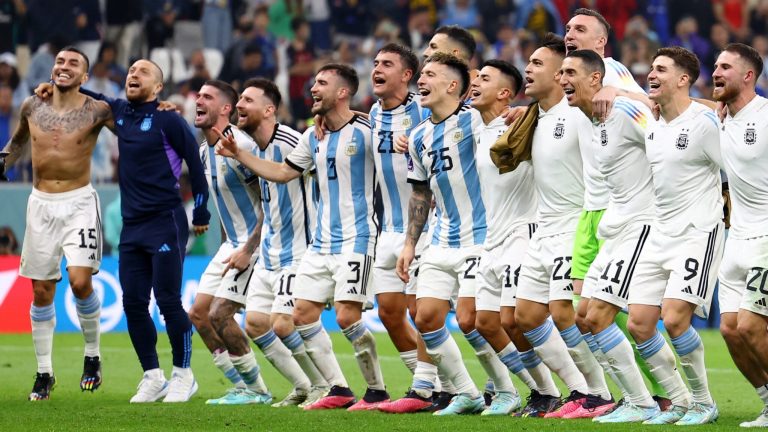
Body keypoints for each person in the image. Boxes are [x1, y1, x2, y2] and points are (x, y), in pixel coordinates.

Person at [216, 63, 388, 411]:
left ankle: (377, 391)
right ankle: (338, 388)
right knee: (302, 315)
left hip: (357, 238)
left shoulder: (368, 130)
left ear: (342, 92)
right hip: (321, 243)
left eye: (322, 83)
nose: (313, 87)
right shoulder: (312, 136)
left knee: (346, 318)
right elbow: (283, 172)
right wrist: (239, 154)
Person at [80, 59, 211, 403]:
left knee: (168, 300)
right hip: (132, 226)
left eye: (143, 72)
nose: (133, 75)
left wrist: (201, 209)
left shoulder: (169, 119)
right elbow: (89, 96)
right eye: (130, 71)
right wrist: (57, 85)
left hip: (165, 221)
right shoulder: (121, 113)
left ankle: (184, 375)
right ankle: (153, 376)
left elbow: (195, 164)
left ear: (158, 87)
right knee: (134, 303)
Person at [563, 8, 670, 410]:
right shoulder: (571, 80)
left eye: (580, 29)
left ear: (601, 42)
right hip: (592, 210)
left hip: (622, 208)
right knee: (585, 314)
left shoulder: (610, 72)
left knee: (607, 311)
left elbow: (654, 113)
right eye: (568, 28)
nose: (570, 33)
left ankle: (661, 393)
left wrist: (623, 93)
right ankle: (622, 395)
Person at [1, 47, 111, 401]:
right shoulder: (32, 106)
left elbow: (133, 126)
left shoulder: (97, 110)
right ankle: (44, 373)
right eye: (60, 61)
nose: (64, 66)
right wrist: (3, 162)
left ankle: (92, 356)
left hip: (79, 203)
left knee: (80, 282)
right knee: (41, 291)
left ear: (85, 76)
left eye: (73, 64)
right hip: (40, 204)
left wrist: (162, 112)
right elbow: (18, 142)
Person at [512, 35, 612, 419]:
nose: (528, 69)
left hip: (573, 226)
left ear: (560, 75)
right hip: (542, 229)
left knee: (564, 312)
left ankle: (599, 394)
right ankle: (578, 389)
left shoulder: (578, 114)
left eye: (537, 63)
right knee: (525, 315)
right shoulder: (532, 117)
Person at [625, 46, 722, 425]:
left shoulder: (705, 122)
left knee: (676, 318)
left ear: (683, 79)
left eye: (661, 69)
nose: (651, 74)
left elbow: (737, 168)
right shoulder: (652, 124)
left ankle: (703, 403)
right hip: (659, 233)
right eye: (651, 68)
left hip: (698, 232)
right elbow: (625, 101)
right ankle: (679, 401)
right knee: (638, 323)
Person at [226, 78, 329, 408]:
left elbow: (324, 168)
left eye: (247, 100)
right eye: (239, 99)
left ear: (269, 110)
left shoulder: (292, 141)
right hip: (270, 252)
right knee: (256, 324)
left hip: (299, 250)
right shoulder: (253, 148)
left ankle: (326, 386)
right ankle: (303, 385)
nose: (239, 105)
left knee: (283, 323)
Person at [396, 52, 486, 416]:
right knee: (426, 316)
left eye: (430, 74)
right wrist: (410, 244)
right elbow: (420, 193)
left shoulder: (476, 120)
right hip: (441, 238)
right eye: (421, 74)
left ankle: (510, 389)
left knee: (472, 319)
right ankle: (468, 393)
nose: (421, 80)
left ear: (452, 85)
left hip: (481, 235)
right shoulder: (418, 136)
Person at [186, 79, 274, 406]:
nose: (198, 100)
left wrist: (249, 249)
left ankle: (258, 391)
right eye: (198, 95)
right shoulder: (202, 151)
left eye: (207, 97)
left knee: (221, 315)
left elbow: (269, 202)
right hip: (231, 243)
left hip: (255, 243)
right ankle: (241, 385)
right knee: (199, 315)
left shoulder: (241, 146)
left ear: (225, 108)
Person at [359, 43, 430, 411]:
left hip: (422, 229)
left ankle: (432, 389)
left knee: (422, 312)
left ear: (406, 75)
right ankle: (431, 384)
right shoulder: (372, 112)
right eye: (375, 63)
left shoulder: (424, 109)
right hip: (386, 229)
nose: (377, 69)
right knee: (388, 312)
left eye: (386, 64)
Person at [469, 59, 542, 416]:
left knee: (513, 320)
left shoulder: (522, 125)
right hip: (492, 237)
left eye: (484, 78)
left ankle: (560, 391)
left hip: (522, 231)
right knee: (485, 322)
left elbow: (552, 110)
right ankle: (530, 390)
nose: (475, 82)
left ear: (504, 93)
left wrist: (530, 111)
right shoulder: (476, 127)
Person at [713, 42, 768, 428]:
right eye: (716, 66)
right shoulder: (720, 118)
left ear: (748, 76)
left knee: (751, 325)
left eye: (725, 67)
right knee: (731, 331)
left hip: (766, 236)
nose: (716, 72)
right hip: (736, 239)